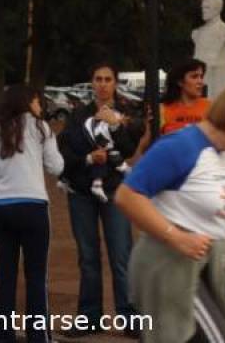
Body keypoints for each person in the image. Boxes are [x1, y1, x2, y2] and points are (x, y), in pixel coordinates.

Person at [115, 78, 225, 343]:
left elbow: (221, 223)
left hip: (205, 268)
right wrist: (176, 236)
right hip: (172, 268)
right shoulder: (181, 147)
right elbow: (127, 196)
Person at [57, 62, 144, 337]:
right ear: (92, 83)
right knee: (88, 257)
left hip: (115, 190)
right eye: (98, 79)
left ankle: (129, 318)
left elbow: (129, 149)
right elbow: (64, 149)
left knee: (121, 255)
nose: (103, 83)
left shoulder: (125, 113)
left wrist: (116, 126)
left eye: (108, 79)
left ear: (115, 83)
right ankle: (89, 317)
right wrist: (88, 156)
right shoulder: (77, 114)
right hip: (82, 192)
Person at [0, 85, 64, 343]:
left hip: (1, 208)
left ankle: (3, 337)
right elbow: (56, 166)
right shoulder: (40, 128)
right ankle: (38, 337)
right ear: (28, 102)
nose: (40, 105)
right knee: (36, 275)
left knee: (6, 274)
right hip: (34, 206)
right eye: (37, 100)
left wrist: (1, 182)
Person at [191, 0, 225, 99]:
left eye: (207, 7)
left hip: (219, 77)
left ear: (217, 9)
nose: (203, 10)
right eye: (203, 7)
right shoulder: (197, 33)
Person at [160, 58, 210, 135]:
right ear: (180, 82)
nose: (200, 82)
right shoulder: (163, 109)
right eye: (194, 77)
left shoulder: (211, 107)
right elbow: (149, 142)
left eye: (201, 77)